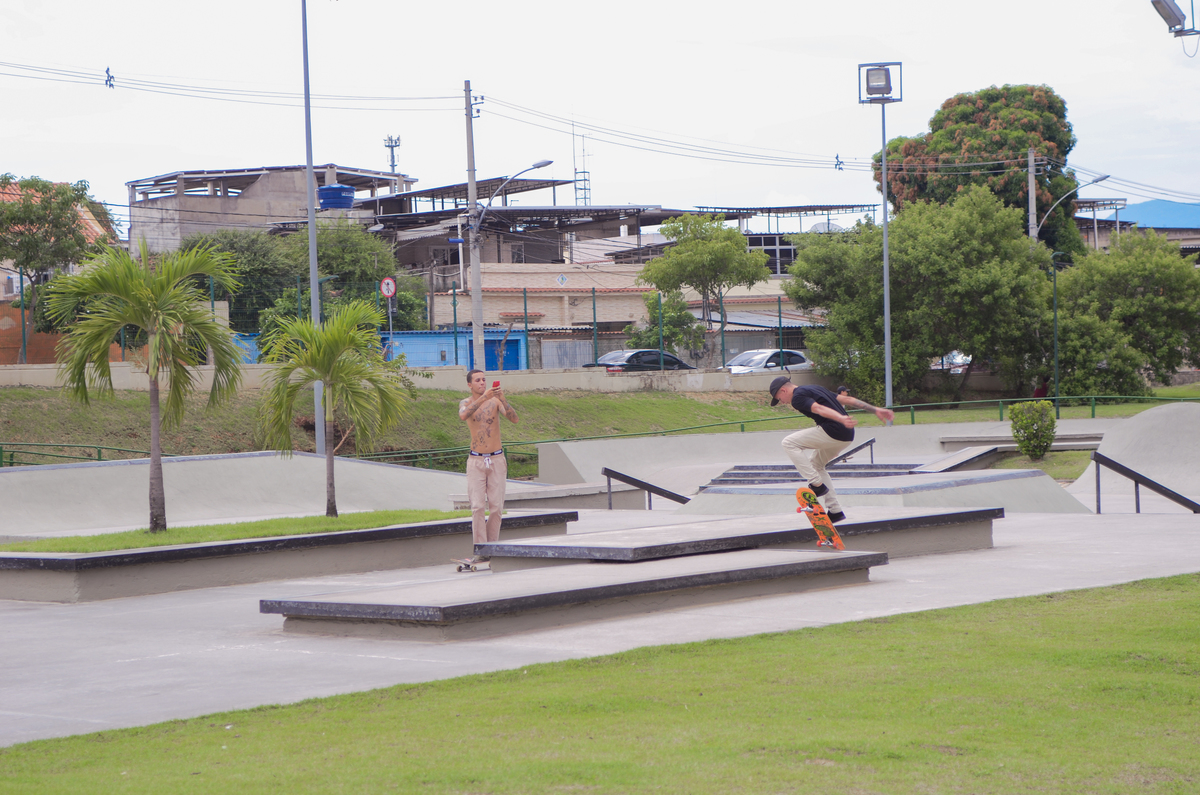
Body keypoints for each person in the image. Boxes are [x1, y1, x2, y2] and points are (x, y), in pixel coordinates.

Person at [769, 376, 893, 523]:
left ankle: (816, 484)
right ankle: (835, 511)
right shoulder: (815, 387)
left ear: (783, 390)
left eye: (779, 398)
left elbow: (818, 409)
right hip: (847, 435)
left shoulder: (797, 397)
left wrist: (840, 418)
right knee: (817, 464)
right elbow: (847, 400)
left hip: (832, 431)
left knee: (788, 443)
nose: (782, 402)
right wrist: (875, 409)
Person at [458, 369, 519, 563]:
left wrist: (503, 398)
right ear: (470, 384)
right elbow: (463, 415)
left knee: (496, 507)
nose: (482, 383)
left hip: (496, 459)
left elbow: (514, 418)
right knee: (477, 507)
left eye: (484, 380)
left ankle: (493, 547)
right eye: (478, 380)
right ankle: (481, 548)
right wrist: (482, 398)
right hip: (476, 460)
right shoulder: (466, 403)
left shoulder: (495, 401)